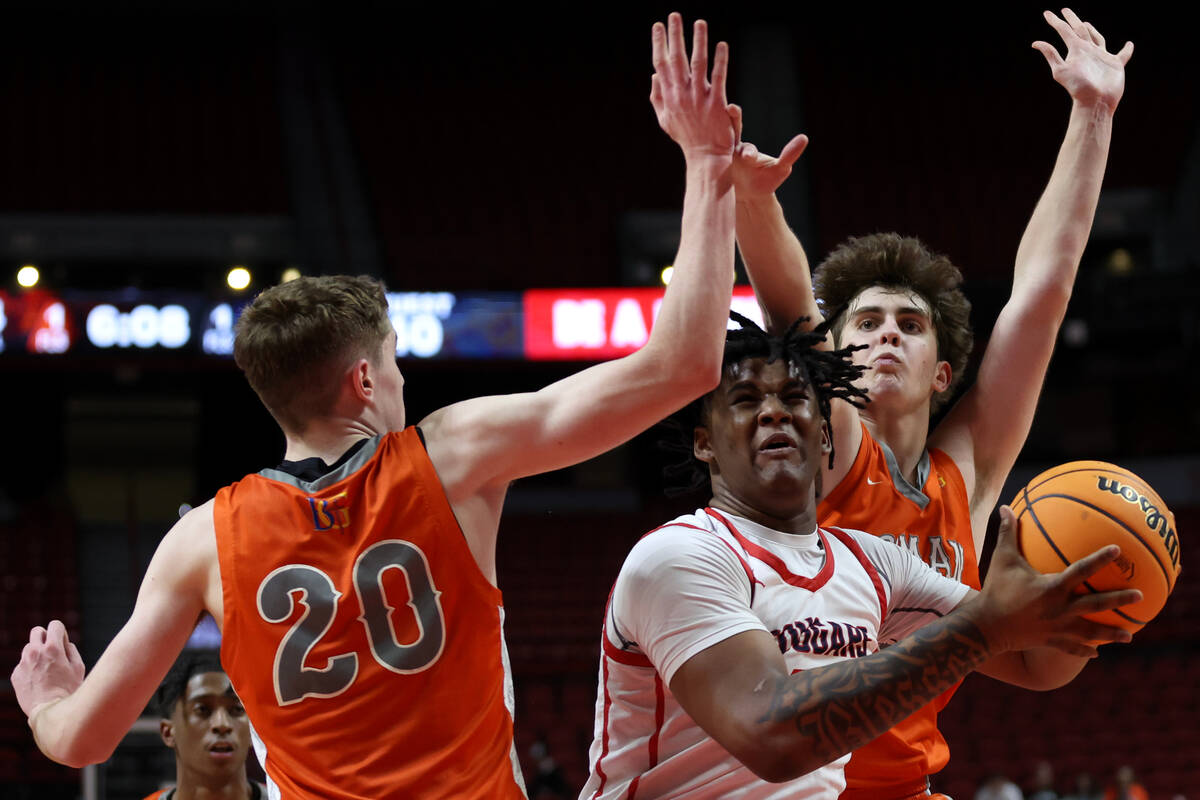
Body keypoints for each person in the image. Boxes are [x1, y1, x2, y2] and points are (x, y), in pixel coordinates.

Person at [11, 13, 740, 799]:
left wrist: (47, 697)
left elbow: (79, 738)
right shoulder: (455, 453)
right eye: (393, 363)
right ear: (363, 380)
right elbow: (688, 362)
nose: (400, 382)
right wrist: (707, 163)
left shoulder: (199, 543)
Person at [729, 9, 1133, 798]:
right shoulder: (838, 447)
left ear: (943, 371)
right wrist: (753, 200)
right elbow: (788, 307)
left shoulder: (968, 479)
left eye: (908, 326)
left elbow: (1043, 294)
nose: (885, 337)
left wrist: (1093, 114)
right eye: (867, 323)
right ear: (839, 357)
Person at [580, 315, 1139, 799]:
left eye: (795, 398)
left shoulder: (874, 562)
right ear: (704, 443)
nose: (774, 412)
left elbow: (1028, 657)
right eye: (746, 401)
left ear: (825, 436)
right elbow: (774, 736)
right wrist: (983, 629)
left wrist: (1087, 596)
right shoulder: (678, 556)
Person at [143, 650, 265, 800]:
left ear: (254, 731)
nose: (222, 724)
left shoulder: (289, 796)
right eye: (203, 709)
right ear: (168, 732)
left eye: (236, 710)